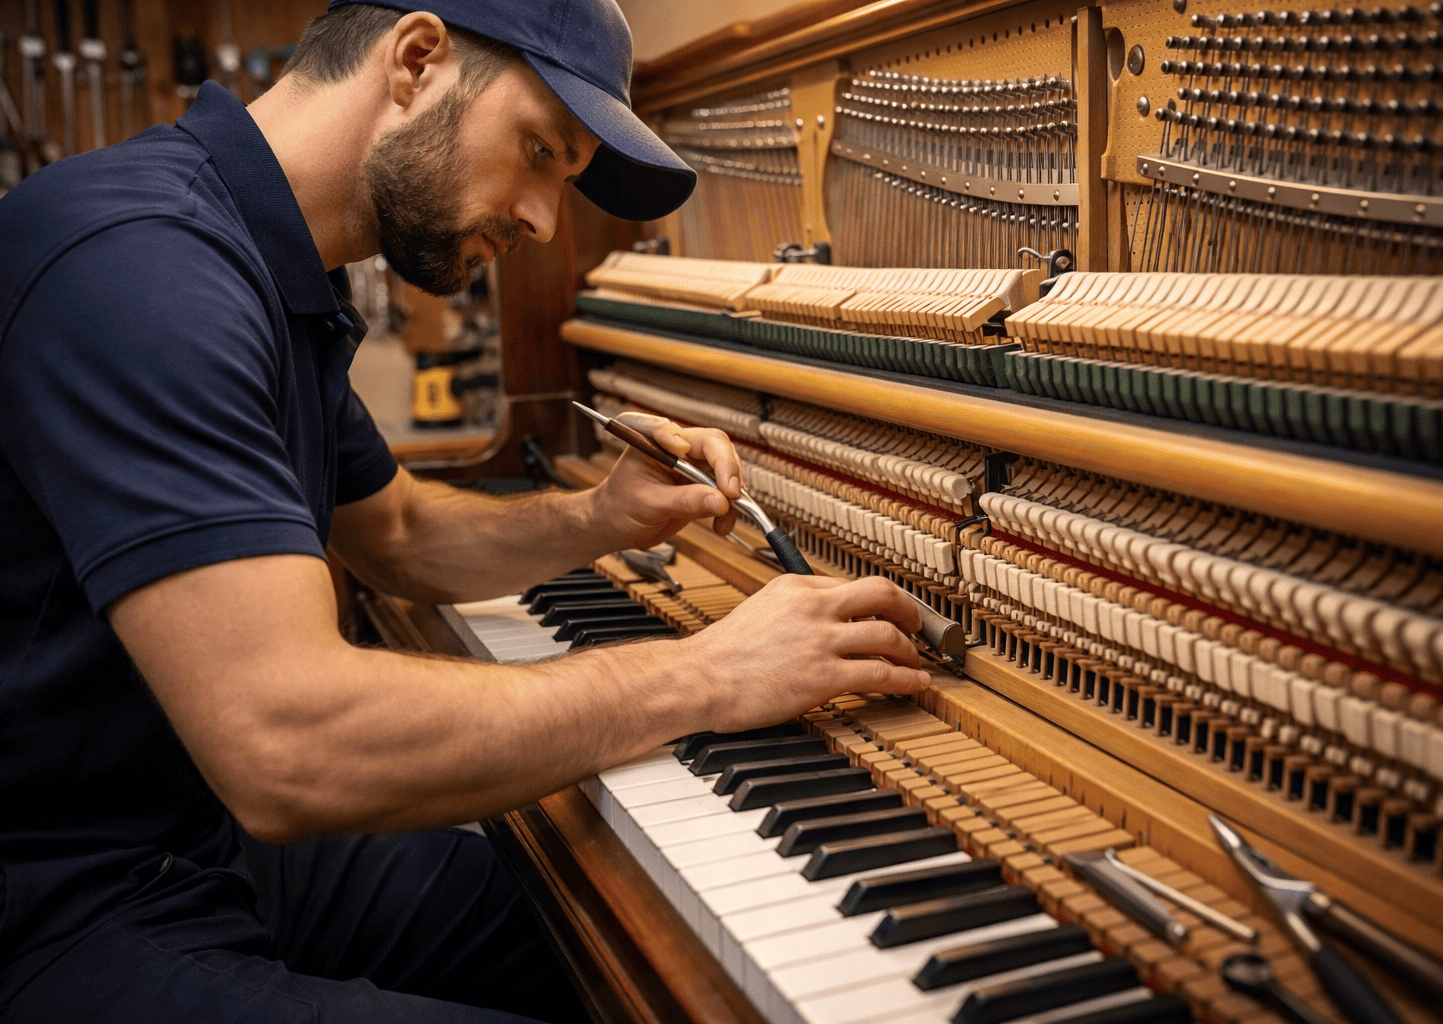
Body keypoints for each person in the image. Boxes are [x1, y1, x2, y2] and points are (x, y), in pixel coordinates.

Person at [0, 0, 932, 1020]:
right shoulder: (145, 267)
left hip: (193, 845)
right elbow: (286, 743)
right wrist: (704, 674)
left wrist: (602, 517)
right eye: (540, 152)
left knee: (575, 929)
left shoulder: (268, 266)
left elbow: (396, 533)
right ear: (415, 60)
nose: (542, 221)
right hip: (58, 904)